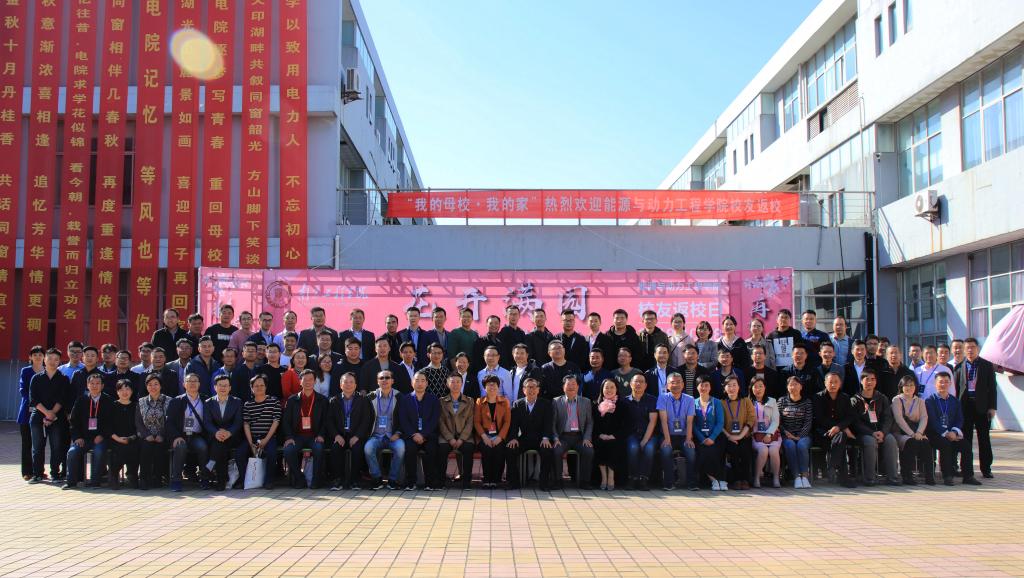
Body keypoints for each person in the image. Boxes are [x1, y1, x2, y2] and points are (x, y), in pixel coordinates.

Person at [63, 373, 114, 489]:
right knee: (72, 452)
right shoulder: (81, 400)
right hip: (84, 438)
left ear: (102, 386)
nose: (94, 386)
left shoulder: (109, 400)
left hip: (101, 438)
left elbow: (112, 422)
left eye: (97, 383)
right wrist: (77, 437)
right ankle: (71, 482)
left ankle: (95, 482)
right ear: (87, 385)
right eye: (92, 383)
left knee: (99, 451)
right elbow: (73, 421)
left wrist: (102, 435)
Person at [956, 338, 996, 480]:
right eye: (967, 347)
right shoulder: (959, 367)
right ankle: (966, 469)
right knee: (966, 439)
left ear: (977, 348)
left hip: (982, 407)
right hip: (965, 407)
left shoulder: (986, 365)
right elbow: (956, 389)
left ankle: (986, 469)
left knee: (984, 438)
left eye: (972, 347)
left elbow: (992, 388)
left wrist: (992, 407)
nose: (970, 350)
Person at [851, 368, 901, 486]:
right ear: (861, 381)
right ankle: (870, 478)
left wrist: (883, 432)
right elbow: (855, 422)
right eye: (867, 379)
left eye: (873, 379)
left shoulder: (882, 398)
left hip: (881, 432)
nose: (870, 382)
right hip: (864, 434)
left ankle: (892, 477)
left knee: (891, 440)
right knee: (870, 442)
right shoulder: (854, 400)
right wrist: (871, 433)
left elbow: (888, 418)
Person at [28, 348, 70, 483]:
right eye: (50, 358)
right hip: (38, 416)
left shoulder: (63, 379)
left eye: (56, 359)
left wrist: (52, 414)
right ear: (44, 360)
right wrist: (47, 413)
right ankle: (38, 474)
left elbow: (63, 399)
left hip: (57, 417)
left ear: (59, 362)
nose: (52, 362)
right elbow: (33, 399)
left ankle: (55, 474)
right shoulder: (36, 378)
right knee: (37, 447)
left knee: (56, 446)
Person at [506, 377, 555, 491]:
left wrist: (546, 437)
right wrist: (513, 438)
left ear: (538, 390)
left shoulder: (546, 404)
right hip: (525, 438)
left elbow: (548, 423)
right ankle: (514, 482)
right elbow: (514, 424)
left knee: (547, 451)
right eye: (528, 387)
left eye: (534, 387)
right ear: (524, 390)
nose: (531, 390)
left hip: (541, 439)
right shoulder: (518, 404)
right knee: (510, 449)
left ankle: (544, 483)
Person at [282, 369, 328, 489]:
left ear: (315, 381)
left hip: (314, 436)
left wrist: (321, 435)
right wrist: (289, 437)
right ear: (300, 382)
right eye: (305, 380)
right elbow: (286, 421)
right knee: (288, 450)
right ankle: (299, 478)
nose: (308, 382)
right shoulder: (292, 400)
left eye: (310, 379)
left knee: (319, 448)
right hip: (297, 436)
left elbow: (326, 420)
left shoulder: (322, 400)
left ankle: (316, 480)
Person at [326, 372, 372, 491]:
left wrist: (357, 436)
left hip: (356, 435)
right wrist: (336, 435)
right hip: (340, 435)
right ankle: (338, 480)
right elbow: (329, 421)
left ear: (355, 385)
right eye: (345, 382)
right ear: (340, 385)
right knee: (336, 448)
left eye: (351, 382)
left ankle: (355, 480)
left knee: (357, 449)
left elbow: (366, 420)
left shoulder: (363, 400)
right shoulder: (334, 400)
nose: (348, 384)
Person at [398, 370, 442, 490]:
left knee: (431, 449)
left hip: (428, 435)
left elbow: (434, 420)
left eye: (423, 381)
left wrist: (423, 434)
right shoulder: (405, 399)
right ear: (412, 383)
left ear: (427, 383)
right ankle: (411, 482)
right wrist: (414, 434)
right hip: (411, 435)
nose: (420, 383)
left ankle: (429, 482)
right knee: (410, 449)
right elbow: (403, 420)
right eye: (417, 380)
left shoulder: (433, 399)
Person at [813, 372, 857, 488]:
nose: (833, 385)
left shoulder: (845, 397)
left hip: (839, 434)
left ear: (840, 383)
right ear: (825, 383)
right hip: (822, 433)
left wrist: (839, 427)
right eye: (830, 382)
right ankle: (843, 478)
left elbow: (850, 416)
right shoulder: (818, 397)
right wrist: (837, 427)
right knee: (841, 440)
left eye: (836, 382)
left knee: (841, 437)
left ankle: (832, 465)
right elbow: (819, 418)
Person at [166, 373, 209, 492]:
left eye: (195, 381)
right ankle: (176, 480)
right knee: (180, 447)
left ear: (199, 384)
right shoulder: (176, 401)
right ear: (184, 384)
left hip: (197, 436)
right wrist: (175, 436)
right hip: (181, 435)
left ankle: (204, 479)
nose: (192, 383)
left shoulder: (205, 400)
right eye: (189, 381)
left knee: (203, 447)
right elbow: (169, 422)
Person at [238, 374, 281, 490]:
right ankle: (244, 480)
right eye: (256, 386)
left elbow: (276, 421)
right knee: (240, 453)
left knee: (271, 453)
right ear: (251, 388)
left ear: (266, 386)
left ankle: (269, 481)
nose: (259, 388)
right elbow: (246, 424)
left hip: (269, 437)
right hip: (252, 437)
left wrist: (266, 440)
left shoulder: (274, 401)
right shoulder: (248, 404)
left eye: (262, 385)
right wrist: (251, 443)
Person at [551, 375, 595, 489]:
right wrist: (555, 438)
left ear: (578, 387)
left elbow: (589, 422)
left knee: (589, 451)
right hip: (563, 437)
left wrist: (587, 438)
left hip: (579, 437)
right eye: (568, 384)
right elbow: (552, 423)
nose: (571, 387)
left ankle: (585, 481)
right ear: (563, 387)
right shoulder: (556, 401)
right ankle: (558, 480)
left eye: (573, 384)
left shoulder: (586, 401)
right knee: (556, 451)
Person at [656, 373, 697, 491]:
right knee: (666, 450)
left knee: (691, 452)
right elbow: (663, 420)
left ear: (683, 384)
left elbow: (690, 421)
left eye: (678, 382)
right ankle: (669, 483)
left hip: (684, 435)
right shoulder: (662, 398)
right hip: (667, 434)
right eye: (672, 382)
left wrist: (688, 439)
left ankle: (692, 483)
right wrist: (667, 439)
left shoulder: (690, 399)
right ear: (667, 386)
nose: (676, 385)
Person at [364, 370, 405, 490]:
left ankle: (392, 479)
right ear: (377, 381)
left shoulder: (399, 397)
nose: (384, 380)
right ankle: (377, 478)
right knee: (368, 448)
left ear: (392, 381)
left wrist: (398, 433)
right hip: (375, 436)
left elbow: (405, 418)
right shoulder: (370, 397)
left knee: (400, 448)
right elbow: (365, 418)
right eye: (381, 378)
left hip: (393, 436)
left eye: (387, 378)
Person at [926, 373, 968, 486]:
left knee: (966, 446)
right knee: (945, 444)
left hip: (952, 433)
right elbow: (932, 421)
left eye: (946, 382)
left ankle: (968, 476)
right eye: (941, 382)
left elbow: (959, 419)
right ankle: (947, 476)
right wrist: (945, 433)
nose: (943, 384)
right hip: (935, 434)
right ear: (935, 384)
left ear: (950, 383)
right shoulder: (930, 401)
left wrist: (954, 432)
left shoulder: (955, 401)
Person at [203, 375, 243, 490]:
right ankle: (221, 480)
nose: (223, 388)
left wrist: (229, 432)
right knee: (220, 445)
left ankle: (211, 468)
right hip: (215, 436)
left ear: (230, 388)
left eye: (226, 385)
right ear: (215, 387)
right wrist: (216, 432)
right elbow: (207, 422)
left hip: (233, 436)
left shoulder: (237, 402)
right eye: (220, 385)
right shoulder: (208, 403)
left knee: (219, 446)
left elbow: (238, 422)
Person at [891, 375, 932, 485]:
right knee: (910, 442)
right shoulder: (897, 400)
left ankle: (929, 476)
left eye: (912, 385)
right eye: (906, 385)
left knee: (926, 443)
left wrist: (919, 432)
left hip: (916, 431)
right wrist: (912, 434)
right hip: (900, 432)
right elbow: (899, 419)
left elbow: (924, 418)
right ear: (901, 387)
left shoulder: (920, 401)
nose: (909, 388)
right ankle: (907, 475)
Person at [438, 374, 477, 489]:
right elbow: (440, 422)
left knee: (468, 448)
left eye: (458, 382)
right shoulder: (442, 401)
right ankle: (441, 481)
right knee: (442, 448)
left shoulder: (469, 401)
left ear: (462, 383)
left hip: (464, 436)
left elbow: (470, 422)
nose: (455, 385)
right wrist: (450, 438)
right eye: (452, 382)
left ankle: (466, 482)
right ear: (447, 384)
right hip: (446, 436)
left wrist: (461, 439)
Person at [474, 375, 512, 489]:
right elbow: (476, 422)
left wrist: (500, 437)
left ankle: (496, 479)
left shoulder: (504, 401)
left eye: (494, 385)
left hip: (499, 435)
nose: (492, 387)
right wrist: (484, 437)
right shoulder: (479, 402)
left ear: (498, 387)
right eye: (489, 385)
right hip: (484, 435)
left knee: (499, 449)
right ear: (484, 387)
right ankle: (487, 479)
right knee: (486, 449)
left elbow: (507, 422)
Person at [622, 373, 659, 490]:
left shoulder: (652, 400)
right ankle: (632, 478)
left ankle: (644, 479)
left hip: (649, 434)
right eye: (636, 381)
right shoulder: (625, 401)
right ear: (631, 384)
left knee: (649, 448)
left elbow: (652, 422)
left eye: (641, 382)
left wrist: (644, 440)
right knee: (633, 448)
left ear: (646, 385)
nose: (638, 384)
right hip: (632, 434)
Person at [778, 376, 813, 488]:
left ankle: (805, 476)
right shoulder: (782, 401)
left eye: (796, 384)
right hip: (787, 435)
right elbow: (778, 421)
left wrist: (799, 436)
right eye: (791, 385)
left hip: (804, 435)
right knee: (790, 445)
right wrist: (786, 432)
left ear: (801, 386)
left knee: (801, 445)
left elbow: (808, 422)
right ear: (787, 387)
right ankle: (796, 476)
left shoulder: (807, 402)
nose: (793, 387)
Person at [593, 379, 627, 490]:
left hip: (616, 436)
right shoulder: (595, 405)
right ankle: (604, 477)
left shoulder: (622, 405)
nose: (609, 390)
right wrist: (600, 435)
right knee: (599, 443)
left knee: (614, 444)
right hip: (600, 435)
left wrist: (614, 435)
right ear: (602, 389)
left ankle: (611, 477)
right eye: (606, 387)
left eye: (612, 387)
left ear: (616, 389)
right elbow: (593, 424)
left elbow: (626, 425)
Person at [720, 376, 754, 490]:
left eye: (734, 385)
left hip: (744, 435)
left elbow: (751, 419)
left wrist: (740, 436)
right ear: (724, 388)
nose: (732, 388)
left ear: (739, 387)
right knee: (733, 450)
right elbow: (719, 423)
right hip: (728, 436)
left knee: (745, 451)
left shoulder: (746, 401)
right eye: (729, 385)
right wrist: (729, 436)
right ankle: (736, 480)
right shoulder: (721, 403)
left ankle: (745, 479)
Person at [693, 377, 726, 491]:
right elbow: (693, 424)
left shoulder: (717, 402)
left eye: (706, 385)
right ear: (697, 387)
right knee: (703, 452)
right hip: (699, 437)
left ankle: (721, 480)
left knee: (716, 451)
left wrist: (712, 437)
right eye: (701, 385)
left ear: (710, 387)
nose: (704, 388)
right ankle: (714, 480)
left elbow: (720, 422)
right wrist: (702, 438)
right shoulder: (693, 403)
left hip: (715, 436)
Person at [749, 376, 781, 489]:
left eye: (761, 386)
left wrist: (768, 434)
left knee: (773, 450)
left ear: (765, 387)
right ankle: (757, 478)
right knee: (763, 450)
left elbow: (776, 420)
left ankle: (776, 478)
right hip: (756, 436)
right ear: (751, 388)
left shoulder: (772, 401)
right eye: (755, 387)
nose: (758, 389)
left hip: (772, 435)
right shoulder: (748, 402)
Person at [108, 379, 140, 490]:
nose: (124, 392)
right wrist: (118, 439)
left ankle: (132, 474)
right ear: (117, 392)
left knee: (135, 447)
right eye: (121, 389)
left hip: (133, 438)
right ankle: (114, 475)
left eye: (127, 389)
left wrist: (131, 438)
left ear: (132, 391)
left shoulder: (136, 406)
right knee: (119, 449)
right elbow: (107, 427)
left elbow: (139, 426)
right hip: (115, 438)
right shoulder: (112, 406)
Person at [18, 346, 44, 480]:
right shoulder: (26, 371)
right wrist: (33, 403)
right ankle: (27, 471)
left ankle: (39, 470)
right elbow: (22, 390)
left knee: (40, 443)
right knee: (27, 442)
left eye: (40, 355)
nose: (38, 357)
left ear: (44, 357)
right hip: (27, 411)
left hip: (44, 412)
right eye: (35, 355)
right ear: (30, 357)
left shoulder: (48, 370)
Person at [498, 305, 527, 370]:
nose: (513, 317)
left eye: (515, 314)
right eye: (511, 314)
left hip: (520, 366)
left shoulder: (521, 332)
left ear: (519, 316)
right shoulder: (503, 332)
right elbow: (502, 353)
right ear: (506, 316)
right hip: (507, 367)